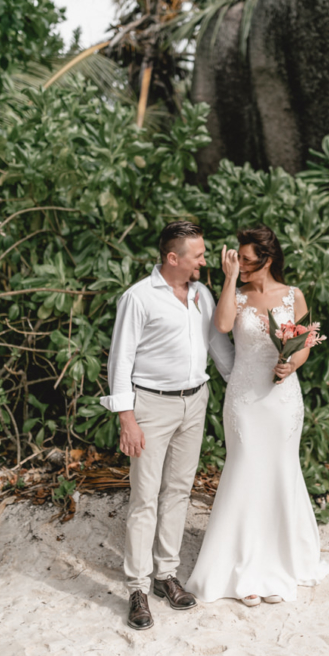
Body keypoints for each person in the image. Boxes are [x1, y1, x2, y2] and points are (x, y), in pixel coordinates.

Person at [185, 225, 329, 606]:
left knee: (281, 470)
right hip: (245, 399)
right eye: (239, 259)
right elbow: (220, 326)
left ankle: (280, 562)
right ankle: (245, 567)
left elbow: (303, 346)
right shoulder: (235, 294)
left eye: (247, 261)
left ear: (267, 260)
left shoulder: (293, 296)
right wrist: (231, 278)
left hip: (283, 401)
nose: (241, 265)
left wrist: (292, 365)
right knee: (246, 469)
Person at [100, 221, 235, 631]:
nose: (204, 260)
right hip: (151, 407)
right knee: (144, 498)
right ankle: (138, 588)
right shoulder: (138, 298)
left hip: (195, 402)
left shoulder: (202, 293)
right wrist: (127, 418)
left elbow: (217, 347)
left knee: (178, 491)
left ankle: (165, 576)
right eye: (198, 255)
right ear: (173, 258)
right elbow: (120, 361)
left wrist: (244, 386)